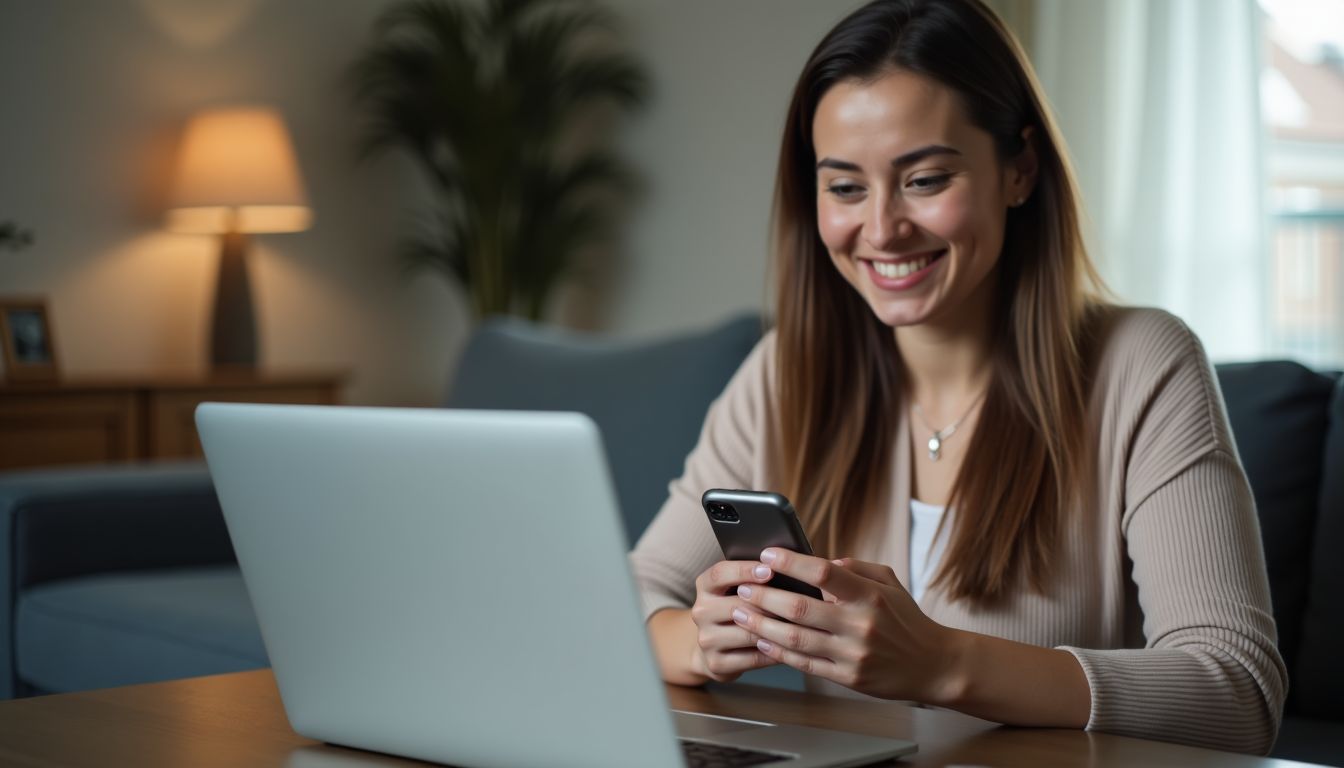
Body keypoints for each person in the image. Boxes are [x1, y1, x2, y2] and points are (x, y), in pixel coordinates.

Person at [629, 0, 1285, 755]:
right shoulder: (786, 373)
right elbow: (630, 599)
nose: (880, 231)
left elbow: (1235, 691)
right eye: (845, 188)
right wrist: (699, 643)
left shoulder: (1144, 365)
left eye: (926, 179)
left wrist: (942, 663)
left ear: (1020, 169)